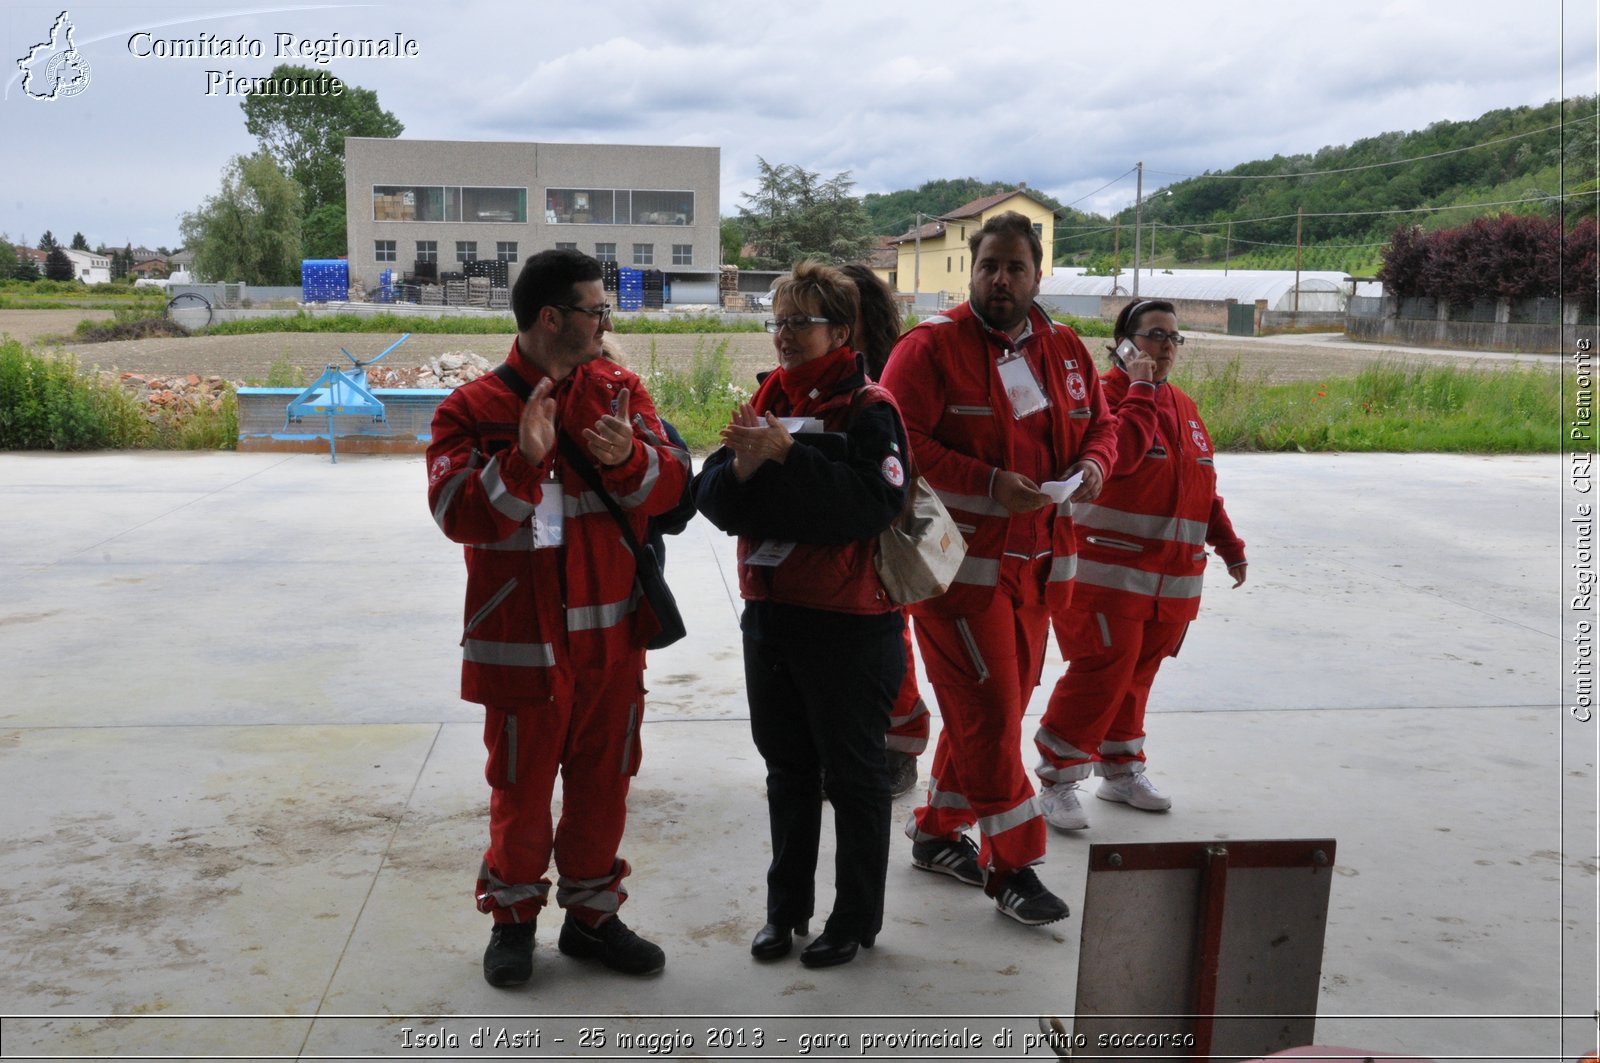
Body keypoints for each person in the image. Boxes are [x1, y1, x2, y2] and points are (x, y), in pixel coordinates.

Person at [425, 249, 691, 987]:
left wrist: (632, 459)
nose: (606, 323)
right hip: (522, 645)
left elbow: (673, 490)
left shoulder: (620, 391)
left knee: (605, 781)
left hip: (612, 643)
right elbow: (456, 515)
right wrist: (521, 460)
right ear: (552, 318)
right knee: (521, 788)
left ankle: (592, 917)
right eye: (596, 311)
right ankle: (513, 921)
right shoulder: (471, 410)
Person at [878, 211, 1118, 927]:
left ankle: (936, 830)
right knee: (987, 713)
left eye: (1016, 267)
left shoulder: (1066, 348)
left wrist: (1097, 465)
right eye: (990, 266)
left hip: (1038, 572)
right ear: (971, 270)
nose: (1002, 279)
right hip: (955, 575)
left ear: (1039, 274)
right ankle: (1014, 864)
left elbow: (1101, 422)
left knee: (997, 709)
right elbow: (897, 441)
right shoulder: (929, 349)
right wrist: (987, 484)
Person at [692, 260, 910, 969]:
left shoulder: (870, 407)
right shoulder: (766, 398)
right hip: (772, 614)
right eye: (777, 320)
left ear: (841, 330)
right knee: (786, 771)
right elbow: (716, 503)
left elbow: (875, 504)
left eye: (800, 322)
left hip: (849, 620)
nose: (784, 336)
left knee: (853, 776)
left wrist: (790, 456)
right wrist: (749, 469)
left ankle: (853, 919)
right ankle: (785, 912)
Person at [1034, 299, 1247, 830]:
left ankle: (1122, 769)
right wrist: (1141, 388)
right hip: (1104, 581)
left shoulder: (1186, 408)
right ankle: (1057, 779)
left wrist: (1229, 545)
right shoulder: (1101, 400)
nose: (1167, 347)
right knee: (1101, 673)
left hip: (1170, 585)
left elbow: (1203, 488)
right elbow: (1121, 456)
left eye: (1175, 338)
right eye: (1155, 336)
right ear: (1124, 344)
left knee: (1137, 676)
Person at [841, 262, 927, 798]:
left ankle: (901, 750)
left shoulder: (888, 374)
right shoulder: (818, 369)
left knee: (891, 636)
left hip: (885, 527)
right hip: (838, 530)